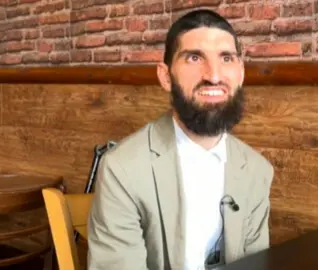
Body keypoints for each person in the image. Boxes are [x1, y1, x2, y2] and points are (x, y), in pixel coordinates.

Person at [87, 9, 274, 270]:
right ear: (165, 76)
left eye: (226, 58)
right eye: (195, 57)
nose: (214, 75)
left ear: (241, 73)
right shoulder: (122, 169)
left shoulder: (257, 170)